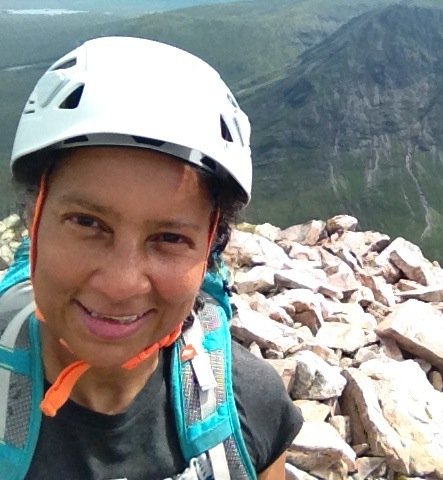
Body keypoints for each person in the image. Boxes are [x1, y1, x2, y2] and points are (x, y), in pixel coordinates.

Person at [0, 36, 303, 480]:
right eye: (87, 223)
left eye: (169, 237)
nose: (120, 284)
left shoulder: (249, 408)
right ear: (34, 220)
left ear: (210, 250)